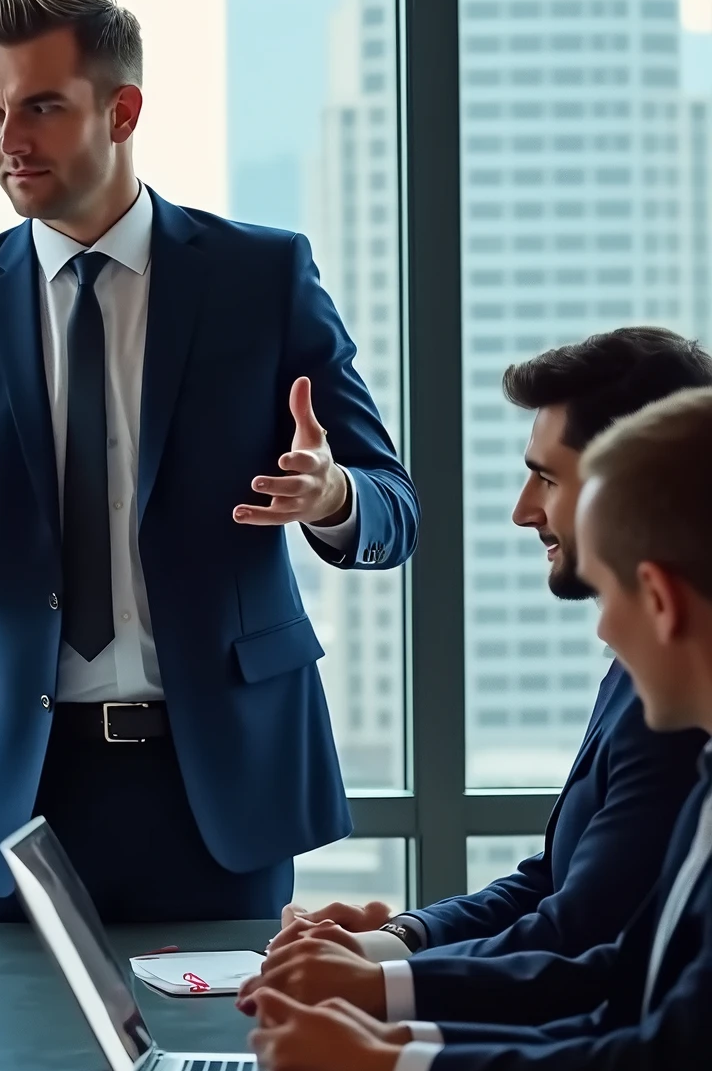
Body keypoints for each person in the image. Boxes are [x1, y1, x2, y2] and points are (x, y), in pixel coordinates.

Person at [0, 0, 417, 923]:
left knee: (216, 1064)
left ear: (123, 111)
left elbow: (393, 513)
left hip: (219, 785)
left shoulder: (259, 279)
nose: (8, 140)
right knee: (7, 1067)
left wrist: (332, 497)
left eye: (41, 107)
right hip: (21, 794)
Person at [245, 386, 712, 1071]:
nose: (605, 631)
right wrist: (385, 1024)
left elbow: (661, 1061)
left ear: (656, 596)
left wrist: (387, 1065)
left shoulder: (679, 738)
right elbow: (621, 975)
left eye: (613, 597)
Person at [270, 328, 712, 969]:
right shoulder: (638, 663)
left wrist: (380, 985)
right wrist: (393, 941)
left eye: (547, 479)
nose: (522, 510)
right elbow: (557, 877)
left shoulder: (678, 685)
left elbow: (578, 938)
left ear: (629, 482)